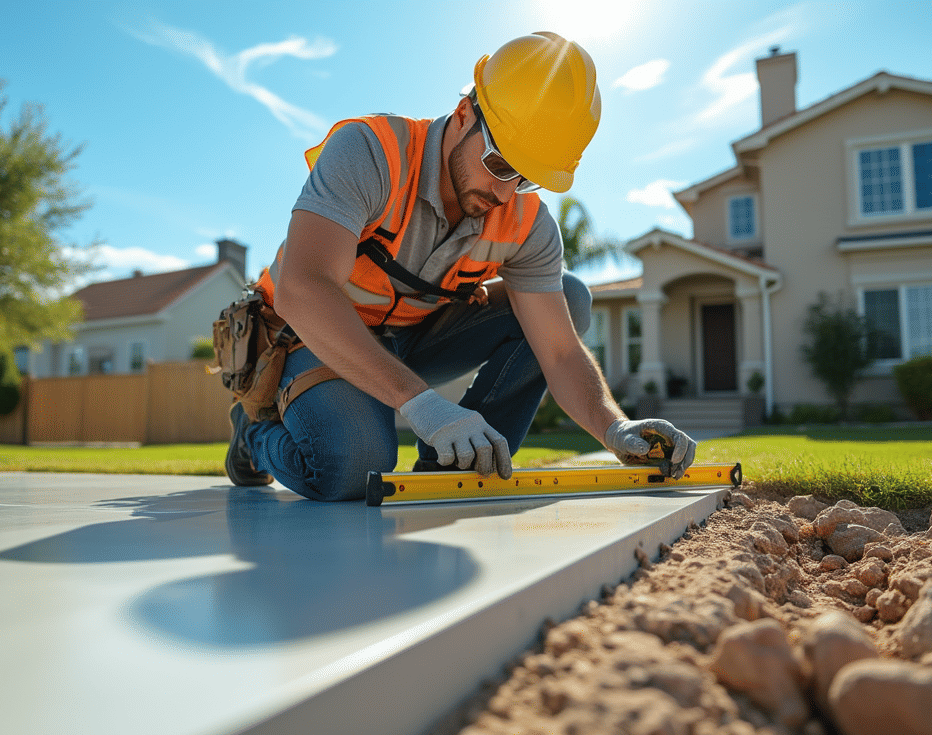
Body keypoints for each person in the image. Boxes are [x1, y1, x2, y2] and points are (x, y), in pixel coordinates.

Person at [225, 31, 696, 501]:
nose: (505, 193)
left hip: (415, 337)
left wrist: (616, 428)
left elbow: (559, 353)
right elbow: (303, 288)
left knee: (569, 296)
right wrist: (421, 403)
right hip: (311, 335)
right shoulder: (372, 153)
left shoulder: (527, 223)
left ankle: (455, 468)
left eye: (527, 177)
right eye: (499, 163)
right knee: (353, 467)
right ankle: (252, 433)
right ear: (465, 114)